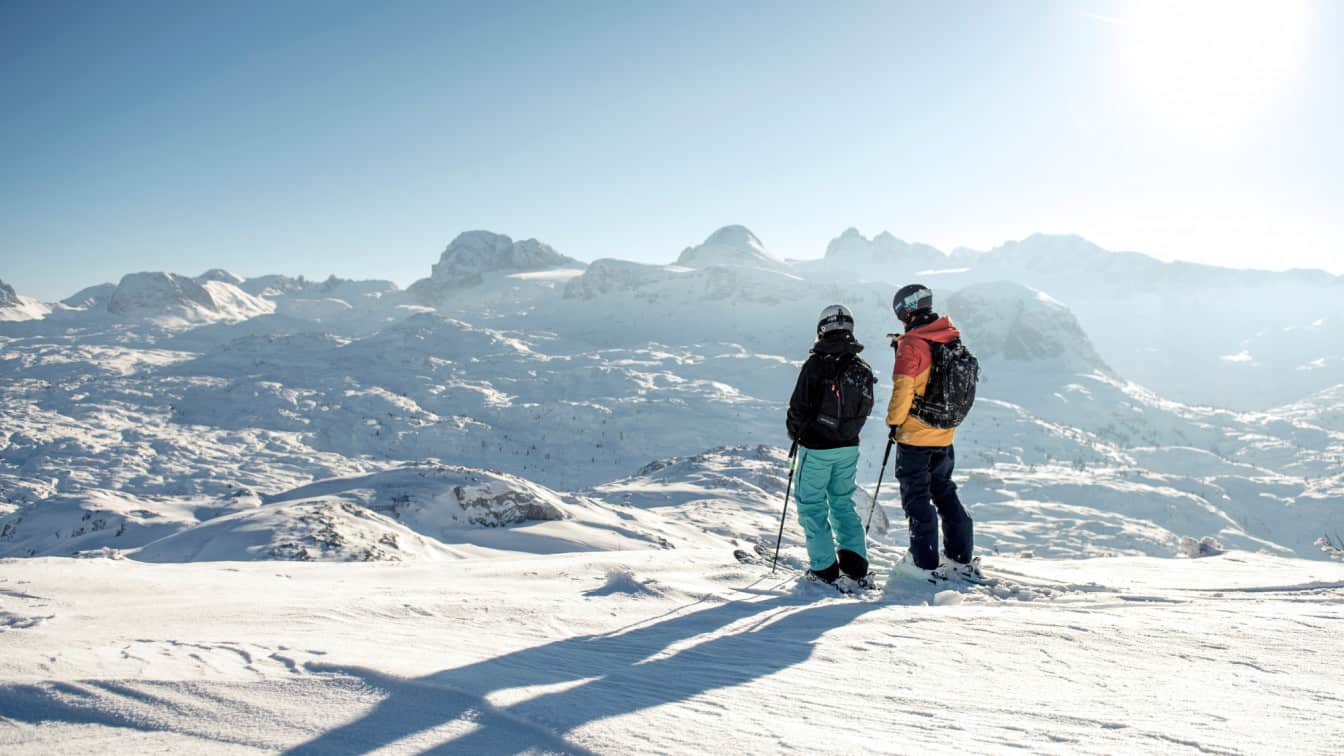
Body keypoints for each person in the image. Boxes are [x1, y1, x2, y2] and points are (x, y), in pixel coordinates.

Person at [885, 284, 981, 580]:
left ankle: (923, 564)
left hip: (915, 435)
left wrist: (893, 423)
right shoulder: (948, 336)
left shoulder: (912, 344)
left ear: (904, 311)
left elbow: (903, 390)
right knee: (944, 491)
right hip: (945, 433)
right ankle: (959, 558)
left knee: (916, 497)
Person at [785, 304, 876, 586]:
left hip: (816, 449)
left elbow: (798, 408)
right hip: (849, 447)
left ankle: (824, 570)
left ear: (822, 328)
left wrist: (796, 435)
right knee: (842, 503)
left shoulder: (816, 364)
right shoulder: (861, 366)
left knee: (812, 505)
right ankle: (856, 566)